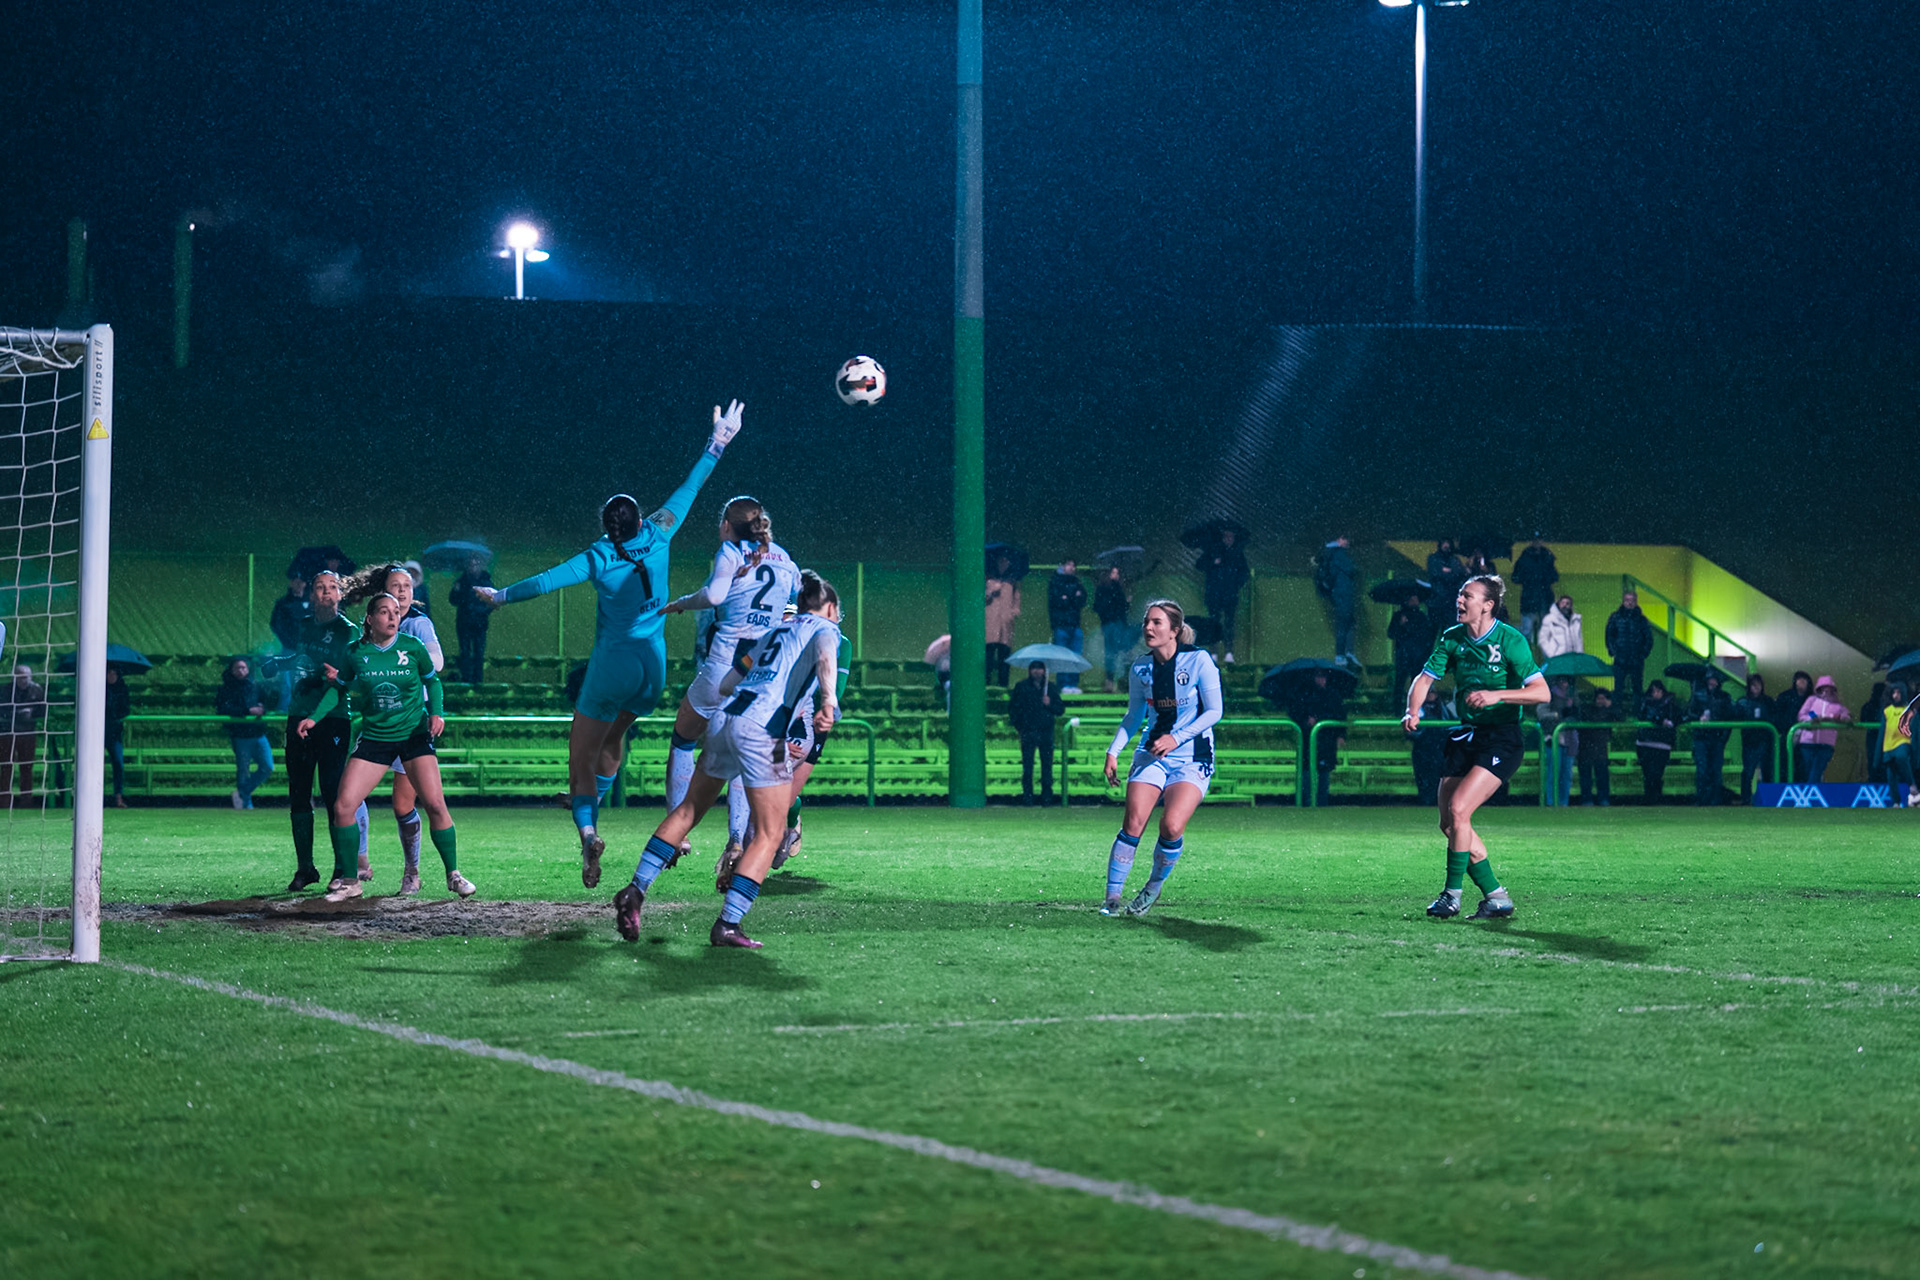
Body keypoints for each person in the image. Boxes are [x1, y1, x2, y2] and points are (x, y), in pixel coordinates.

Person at [473, 401, 741, 888]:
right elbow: (689, 489)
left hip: (613, 664)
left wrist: (500, 597)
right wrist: (717, 444)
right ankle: (593, 802)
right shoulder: (659, 533)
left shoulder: (599, 555)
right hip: (651, 668)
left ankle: (588, 832)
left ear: (607, 526)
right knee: (615, 740)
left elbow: (547, 581)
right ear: (639, 520)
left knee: (580, 758)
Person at [612, 570, 841, 950]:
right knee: (770, 832)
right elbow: (826, 659)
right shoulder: (824, 627)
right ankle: (728, 924)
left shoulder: (775, 632)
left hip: (726, 716)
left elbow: (726, 684)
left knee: (689, 810)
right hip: (762, 728)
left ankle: (635, 891)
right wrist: (828, 701)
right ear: (828, 607)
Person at [298, 593, 470, 903]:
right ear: (369, 618)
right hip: (376, 737)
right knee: (343, 805)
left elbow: (432, 682)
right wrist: (313, 718)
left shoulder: (412, 647)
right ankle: (351, 881)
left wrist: (436, 712)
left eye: (396, 613)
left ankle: (454, 875)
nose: (393, 617)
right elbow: (338, 690)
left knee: (435, 804)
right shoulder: (356, 652)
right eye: (384, 612)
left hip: (413, 735)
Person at [658, 495, 799, 871]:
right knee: (738, 753)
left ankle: (676, 834)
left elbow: (715, 596)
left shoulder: (731, 551)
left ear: (726, 526)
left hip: (723, 665)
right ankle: (736, 841)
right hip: (761, 673)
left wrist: (683, 603)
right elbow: (794, 609)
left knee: (684, 736)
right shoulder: (786, 560)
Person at [1402, 574, 1548, 920]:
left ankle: (1451, 895)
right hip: (1467, 735)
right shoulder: (1452, 637)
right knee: (1450, 824)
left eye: (1467, 595)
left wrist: (1498, 694)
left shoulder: (1511, 640)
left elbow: (1542, 692)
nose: (1460, 600)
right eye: (1459, 594)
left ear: (1488, 605)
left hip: (1502, 736)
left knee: (1459, 808)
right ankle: (1496, 896)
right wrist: (1413, 710)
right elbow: (1425, 679)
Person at [1100, 599, 1221, 917]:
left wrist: (1177, 737)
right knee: (1133, 822)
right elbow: (1134, 715)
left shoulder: (1198, 661)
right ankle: (1111, 900)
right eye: (1146, 622)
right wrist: (1113, 750)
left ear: (1175, 631)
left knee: (1170, 826)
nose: (1148, 628)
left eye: (1156, 622)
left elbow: (1215, 711)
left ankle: (1151, 888)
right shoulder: (1141, 667)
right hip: (1151, 754)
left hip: (1192, 756)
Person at [341, 562, 448, 893]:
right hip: (376, 726)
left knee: (404, 805)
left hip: (410, 726)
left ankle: (412, 872)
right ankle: (358, 863)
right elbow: (354, 667)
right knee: (350, 797)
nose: (403, 591)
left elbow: (437, 666)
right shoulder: (368, 632)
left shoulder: (418, 625)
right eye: (395, 585)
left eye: (408, 586)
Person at [261, 569, 360, 891]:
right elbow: (304, 657)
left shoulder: (348, 631)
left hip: (333, 718)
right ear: (311, 594)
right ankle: (305, 868)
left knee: (333, 793)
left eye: (332, 587)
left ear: (340, 595)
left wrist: (316, 674)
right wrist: (281, 662)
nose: (325, 592)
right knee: (299, 792)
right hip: (298, 715)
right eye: (319, 587)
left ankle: (342, 868)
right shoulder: (304, 625)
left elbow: (337, 672)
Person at [216, 657, 274, 810]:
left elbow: (266, 702)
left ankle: (243, 792)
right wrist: (247, 711)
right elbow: (223, 709)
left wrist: (262, 709)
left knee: (267, 766)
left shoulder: (255, 686)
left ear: (248, 670)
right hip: (241, 735)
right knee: (243, 769)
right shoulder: (226, 689)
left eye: (243, 668)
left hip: (258, 732)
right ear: (232, 670)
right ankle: (246, 802)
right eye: (237, 668)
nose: (241, 671)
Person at [1008, 661, 1065, 804]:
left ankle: (1047, 796)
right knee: (1027, 766)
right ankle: (1027, 796)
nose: (1037, 671)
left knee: (1047, 766)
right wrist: (1020, 727)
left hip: (1046, 732)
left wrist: (1049, 703)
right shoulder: (1021, 687)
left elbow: (1060, 710)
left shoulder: (1050, 688)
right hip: (1028, 731)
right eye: (1034, 668)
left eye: (1040, 669)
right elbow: (1014, 709)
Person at [1291, 667, 1347, 807]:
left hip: (1326, 740)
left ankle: (1322, 802)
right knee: (1306, 771)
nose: (1321, 680)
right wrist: (1306, 720)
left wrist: (1340, 735)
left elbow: (1340, 716)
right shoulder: (1303, 695)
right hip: (1307, 739)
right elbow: (1295, 713)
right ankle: (1305, 802)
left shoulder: (1333, 696)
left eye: (1323, 677)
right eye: (1318, 676)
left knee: (1323, 772)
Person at [1198, 529, 1250, 664]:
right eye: (1226, 536)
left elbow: (1245, 573)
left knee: (1229, 624)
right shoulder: (1213, 550)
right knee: (1214, 623)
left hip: (1229, 595)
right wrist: (1212, 562)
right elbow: (1199, 565)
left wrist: (1234, 585)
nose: (1229, 539)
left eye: (1231, 536)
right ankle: (1214, 652)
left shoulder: (1237, 553)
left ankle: (1228, 652)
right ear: (1222, 538)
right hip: (1214, 594)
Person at [0, 664, 46, 809]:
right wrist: (17, 713)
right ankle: (4, 801)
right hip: (8, 733)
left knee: (27, 767)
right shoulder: (5, 690)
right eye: (20, 677)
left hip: (27, 732)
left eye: (25, 677)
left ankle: (26, 800)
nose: (23, 680)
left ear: (30, 677)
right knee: (6, 767)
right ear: (15, 677)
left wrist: (30, 714)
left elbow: (42, 710)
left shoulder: (36, 690)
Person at [1688, 672, 1734, 805]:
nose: (1712, 682)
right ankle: (1703, 798)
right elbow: (1690, 712)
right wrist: (1699, 718)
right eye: (1710, 679)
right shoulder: (1698, 695)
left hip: (1715, 738)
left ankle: (1714, 799)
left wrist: (1723, 737)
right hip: (1702, 738)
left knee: (1715, 770)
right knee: (1703, 769)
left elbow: (1729, 717)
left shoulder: (1724, 697)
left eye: (1714, 680)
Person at [1795, 676, 1851, 783]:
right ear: (1818, 688)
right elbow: (1803, 714)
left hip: (1826, 743)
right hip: (1808, 741)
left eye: (1829, 688)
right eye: (1823, 687)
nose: (1826, 690)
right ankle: (1813, 793)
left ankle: (1811, 793)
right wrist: (1812, 718)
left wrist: (1837, 718)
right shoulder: (1812, 700)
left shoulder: (1838, 705)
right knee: (1808, 770)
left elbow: (1847, 716)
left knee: (1817, 770)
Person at [1315, 536, 1360, 668]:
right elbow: (1350, 570)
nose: (1348, 542)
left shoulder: (1328, 554)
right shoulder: (1338, 554)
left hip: (1337, 594)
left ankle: (1344, 653)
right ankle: (1342, 654)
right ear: (1339, 539)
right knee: (1345, 623)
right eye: (1345, 539)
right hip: (1343, 593)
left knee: (1346, 622)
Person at [449, 558, 495, 685]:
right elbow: (453, 600)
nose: (472, 568)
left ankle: (477, 679)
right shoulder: (461, 582)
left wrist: (482, 611)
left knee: (478, 651)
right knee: (465, 650)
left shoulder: (486, 582)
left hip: (479, 622)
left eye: (475, 565)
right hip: (464, 622)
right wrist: (456, 590)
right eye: (470, 565)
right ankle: (467, 677)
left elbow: (493, 601)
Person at [1605, 591, 1655, 705]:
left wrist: (1643, 654)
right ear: (1623, 601)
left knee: (1637, 688)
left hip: (1636, 659)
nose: (1630, 603)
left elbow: (1649, 639)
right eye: (1627, 600)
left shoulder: (1642, 620)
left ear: (1636, 602)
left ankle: (1638, 713)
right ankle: (1617, 714)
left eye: (1632, 601)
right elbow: (1609, 635)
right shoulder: (1615, 617)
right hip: (1620, 658)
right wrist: (1613, 652)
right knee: (1618, 688)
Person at [1634, 680, 1681, 801]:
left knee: (1655, 774)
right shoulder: (1647, 704)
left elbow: (1679, 717)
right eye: (1653, 691)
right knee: (1649, 774)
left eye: (1658, 691)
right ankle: (1652, 797)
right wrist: (1661, 721)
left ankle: (1654, 797)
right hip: (1648, 743)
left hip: (1659, 743)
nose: (1656, 693)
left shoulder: (1670, 705)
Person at [1046, 561, 1088, 693]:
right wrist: (1071, 597)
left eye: (1074, 565)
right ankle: (1063, 683)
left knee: (1075, 655)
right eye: (1069, 565)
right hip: (1061, 625)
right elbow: (1057, 601)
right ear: (1062, 566)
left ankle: (1073, 683)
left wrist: (1068, 598)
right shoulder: (1055, 582)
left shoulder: (1077, 582)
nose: (1072, 568)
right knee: (1061, 655)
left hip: (1075, 624)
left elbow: (1082, 599)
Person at [1388, 593, 1436, 707]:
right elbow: (1391, 633)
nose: (1415, 601)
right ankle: (1397, 707)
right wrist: (1400, 624)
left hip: (1417, 656)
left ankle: (1415, 707)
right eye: (1412, 599)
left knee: (1415, 683)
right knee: (1400, 682)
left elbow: (1425, 636)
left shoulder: (1421, 616)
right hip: (1403, 655)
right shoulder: (1399, 615)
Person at [1537, 674, 1578, 807]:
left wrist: (1571, 708)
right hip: (1553, 738)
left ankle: (1563, 802)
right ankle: (1550, 801)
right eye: (1562, 680)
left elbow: (1578, 715)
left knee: (1566, 774)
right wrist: (1557, 715)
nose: (1564, 683)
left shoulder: (1573, 696)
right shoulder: (1549, 695)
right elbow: (1541, 714)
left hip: (1569, 739)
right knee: (1553, 772)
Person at [1733, 674, 1775, 802]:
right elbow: (1735, 716)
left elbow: (1774, 718)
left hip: (1765, 741)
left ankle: (1768, 798)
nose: (1756, 687)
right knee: (1748, 771)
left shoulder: (1768, 702)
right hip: (1749, 741)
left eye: (1758, 684)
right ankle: (1745, 799)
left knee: (1767, 770)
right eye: (1753, 684)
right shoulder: (1742, 702)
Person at [1409, 687, 1452, 807]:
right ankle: (1425, 799)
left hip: (1440, 746)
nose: (1429, 695)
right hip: (1423, 747)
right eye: (1427, 692)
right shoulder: (1416, 708)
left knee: (1438, 774)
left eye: (1432, 692)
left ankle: (1438, 799)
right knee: (1422, 774)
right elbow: (1411, 732)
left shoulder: (1444, 708)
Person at [1511, 538, 1559, 643]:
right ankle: (1534, 656)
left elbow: (1515, 578)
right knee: (1532, 632)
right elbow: (1555, 577)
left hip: (1535, 599)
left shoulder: (1529, 558)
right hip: (1538, 599)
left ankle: (1531, 656)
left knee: (1532, 632)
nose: (1537, 543)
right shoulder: (1546, 557)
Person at [1577, 687, 1618, 806]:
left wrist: (1610, 707)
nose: (1600, 701)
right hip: (1586, 748)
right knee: (1586, 778)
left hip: (1600, 749)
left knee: (1602, 777)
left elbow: (1621, 717)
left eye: (1603, 698)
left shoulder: (1610, 711)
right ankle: (1587, 800)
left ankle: (1603, 799)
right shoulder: (1587, 709)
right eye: (1599, 698)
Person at [1094, 566, 1132, 693]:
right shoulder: (1106, 589)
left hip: (1118, 624)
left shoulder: (1118, 589)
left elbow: (1122, 608)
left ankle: (1117, 681)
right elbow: (1101, 606)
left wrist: (1126, 602)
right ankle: (1111, 681)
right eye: (1113, 573)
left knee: (1118, 652)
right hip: (1111, 623)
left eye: (1117, 573)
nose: (1115, 576)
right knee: (1112, 652)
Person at [985, 557, 1020, 687]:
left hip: (1005, 624)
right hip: (990, 623)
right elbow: (980, 597)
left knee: (1004, 656)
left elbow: (1017, 598)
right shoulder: (988, 579)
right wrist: (990, 591)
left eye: (1006, 562)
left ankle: (1003, 684)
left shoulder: (1012, 581)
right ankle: (986, 683)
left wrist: (1015, 610)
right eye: (1001, 561)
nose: (1004, 564)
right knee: (988, 655)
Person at [1880, 685, 1913, 806]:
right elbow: (1883, 731)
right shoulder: (1887, 711)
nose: (1896, 695)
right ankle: (1896, 802)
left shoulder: (1908, 710)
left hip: (1903, 741)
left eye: (1898, 692)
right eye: (1894, 693)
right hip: (1888, 746)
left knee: (1902, 758)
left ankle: (1912, 786)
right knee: (1891, 774)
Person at [104, 666, 130, 808]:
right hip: (98, 731)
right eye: (109, 673)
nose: (111, 676)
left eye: (114, 673)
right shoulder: (98, 687)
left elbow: (126, 709)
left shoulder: (122, 689)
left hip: (114, 733)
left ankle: (118, 797)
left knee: (118, 764)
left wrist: (114, 713)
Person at [1425, 539, 1466, 616]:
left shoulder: (1454, 559)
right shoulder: (1433, 558)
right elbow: (1435, 573)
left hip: (1451, 597)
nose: (1446, 546)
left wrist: (1446, 571)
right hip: (1437, 596)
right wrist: (1449, 572)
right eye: (1444, 543)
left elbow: (1458, 573)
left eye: (1448, 543)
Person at [1536, 595, 1583, 660]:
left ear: (1571, 606)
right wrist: (1552, 654)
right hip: (1558, 658)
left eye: (1567, 603)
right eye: (1563, 603)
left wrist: (1580, 654)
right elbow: (1542, 639)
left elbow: (1579, 639)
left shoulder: (1576, 620)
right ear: (1558, 604)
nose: (1565, 605)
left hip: (1574, 658)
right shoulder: (1550, 619)